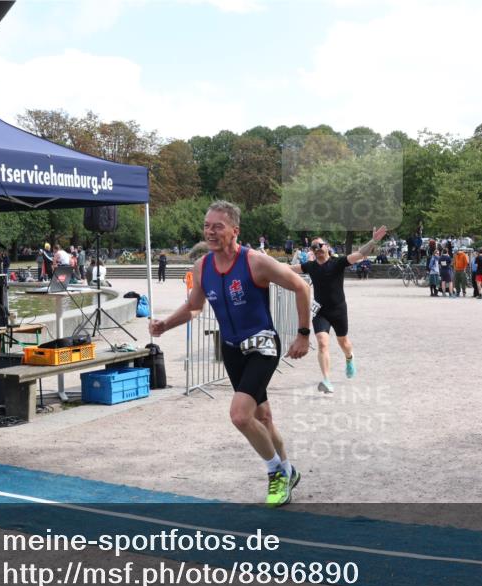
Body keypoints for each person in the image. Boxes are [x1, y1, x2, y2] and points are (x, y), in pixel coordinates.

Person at [150, 201, 311, 507]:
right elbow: (195, 307)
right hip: (232, 349)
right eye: (207, 226)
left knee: (240, 415)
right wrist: (165, 324)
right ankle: (289, 471)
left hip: (262, 346)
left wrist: (303, 334)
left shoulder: (255, 262)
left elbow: (301, 287)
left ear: (235, 230)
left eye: (217, 226)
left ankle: (275, 473)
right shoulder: (202, 268)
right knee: (263, 417)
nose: (210, 232)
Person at [289, 226, 388, 393]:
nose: (317, 249)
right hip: (320, 312)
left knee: (344, 343)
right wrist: (265, 261)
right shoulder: (310, 266)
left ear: (327, 247)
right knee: (322, 343)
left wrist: (374, 241)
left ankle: (349, 358)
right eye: (313, 247)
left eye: (320, 245)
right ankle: (327, 380)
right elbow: (288, 269)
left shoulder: (338, 262)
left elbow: (360, 254)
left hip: (339, 310)